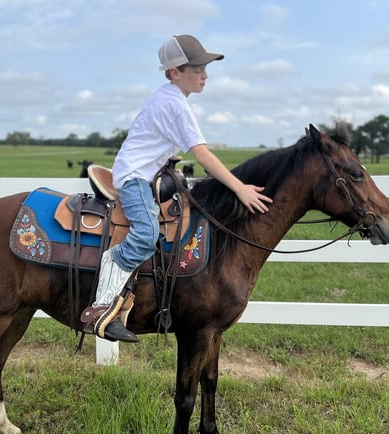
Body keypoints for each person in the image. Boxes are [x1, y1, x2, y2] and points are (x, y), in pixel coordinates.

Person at [89, 34, 273, 342]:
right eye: (197, 68)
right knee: (146, 234)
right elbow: (202, 154)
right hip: (134, 178)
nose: (205, 74)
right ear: (175, 72)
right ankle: (102, 306)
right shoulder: (175, 105)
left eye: (205, 68)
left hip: (143, 171)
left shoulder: (169, 98)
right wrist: (240, 189)